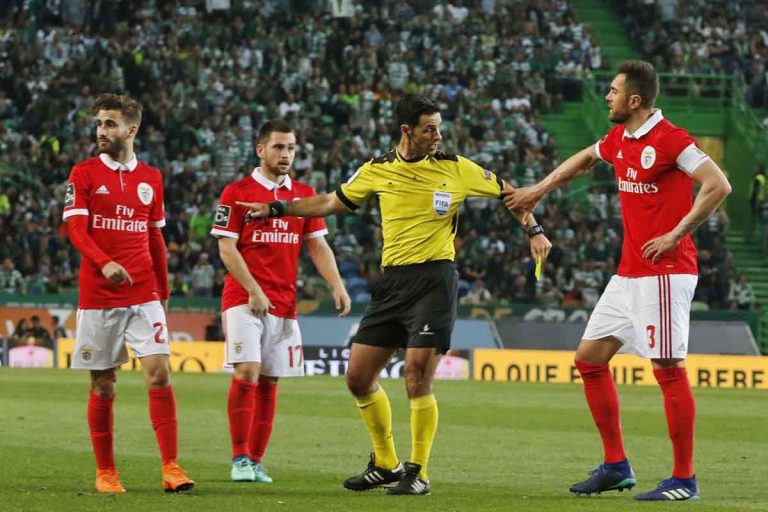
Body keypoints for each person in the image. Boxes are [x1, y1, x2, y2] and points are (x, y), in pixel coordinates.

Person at [237, 95, 552, 495]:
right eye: (429, 129)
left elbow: (514, 196)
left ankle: (417, 471)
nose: (438, 135)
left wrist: (534, 230)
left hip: (435, 279)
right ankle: (385, 462)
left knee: (416, 374)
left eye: (439, 127)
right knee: (358, 377)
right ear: (406, 130)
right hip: (392, 283)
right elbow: (333, 202)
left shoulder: (458, 168)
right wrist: (280, 209)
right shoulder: (377, 169)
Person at [505, 61, 732, 502]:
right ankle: (615, 466)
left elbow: (717, 184)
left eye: (612, 91)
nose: (606, 97)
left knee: (667, 369)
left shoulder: (671, 139)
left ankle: (684, 480)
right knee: (589, 360)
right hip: (628, 273)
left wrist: (676, 233)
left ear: (634, 100)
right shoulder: (619, 139)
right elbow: (587, 158)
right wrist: (538, 189)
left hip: (665, 272)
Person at [62, 93, 194, 494]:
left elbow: (155, 236)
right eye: (99, 124)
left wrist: (164, 289)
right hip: (99, 296)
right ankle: (106, 472)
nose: (101, 131)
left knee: (159, 374)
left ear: (131, 130)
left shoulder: (152, 178)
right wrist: (104, 262)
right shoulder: (83, 173)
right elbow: (76, 230)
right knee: (104, 385)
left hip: (143, 294)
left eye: (110, 124)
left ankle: (171, 468)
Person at [211, 119, 352, 484]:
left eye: (290, 148)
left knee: (271, 383)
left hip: (285, 303)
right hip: (244, 299)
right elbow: (226, 248)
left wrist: (336, 284)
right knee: (247, 373)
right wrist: (254, 289)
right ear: (260, 150)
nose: (286, 154)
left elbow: (318, 245)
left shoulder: (303, 195)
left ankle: (256, 461)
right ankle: (239, 457)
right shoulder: (237, 192)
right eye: (278, 147)